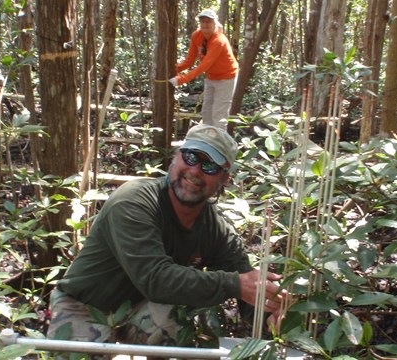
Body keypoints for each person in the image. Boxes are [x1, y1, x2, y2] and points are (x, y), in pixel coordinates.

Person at [47, 124, 285, 353]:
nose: (195, 171)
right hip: (85, 305)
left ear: (225, 179)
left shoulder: (215, 228)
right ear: (175, 158)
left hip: (142, 308)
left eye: (210, 166)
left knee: (180, 322)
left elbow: (246, 284)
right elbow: (155, 279)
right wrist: (235, 284)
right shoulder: (132, 201)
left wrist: (270, 313)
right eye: (191, 157)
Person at [169, 9, 239, 130]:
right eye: (203, 21)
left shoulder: (219, 41)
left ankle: (218, 144)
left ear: (214, 23)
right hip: (211, 77)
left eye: (209, 22)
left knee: (219, 114)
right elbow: (190, 60)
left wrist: (182, 79)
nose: (205, 24)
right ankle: (206, 141)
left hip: (227, 78)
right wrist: (175, 69)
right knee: (206, 112)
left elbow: (204, 65)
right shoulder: (197, 36)